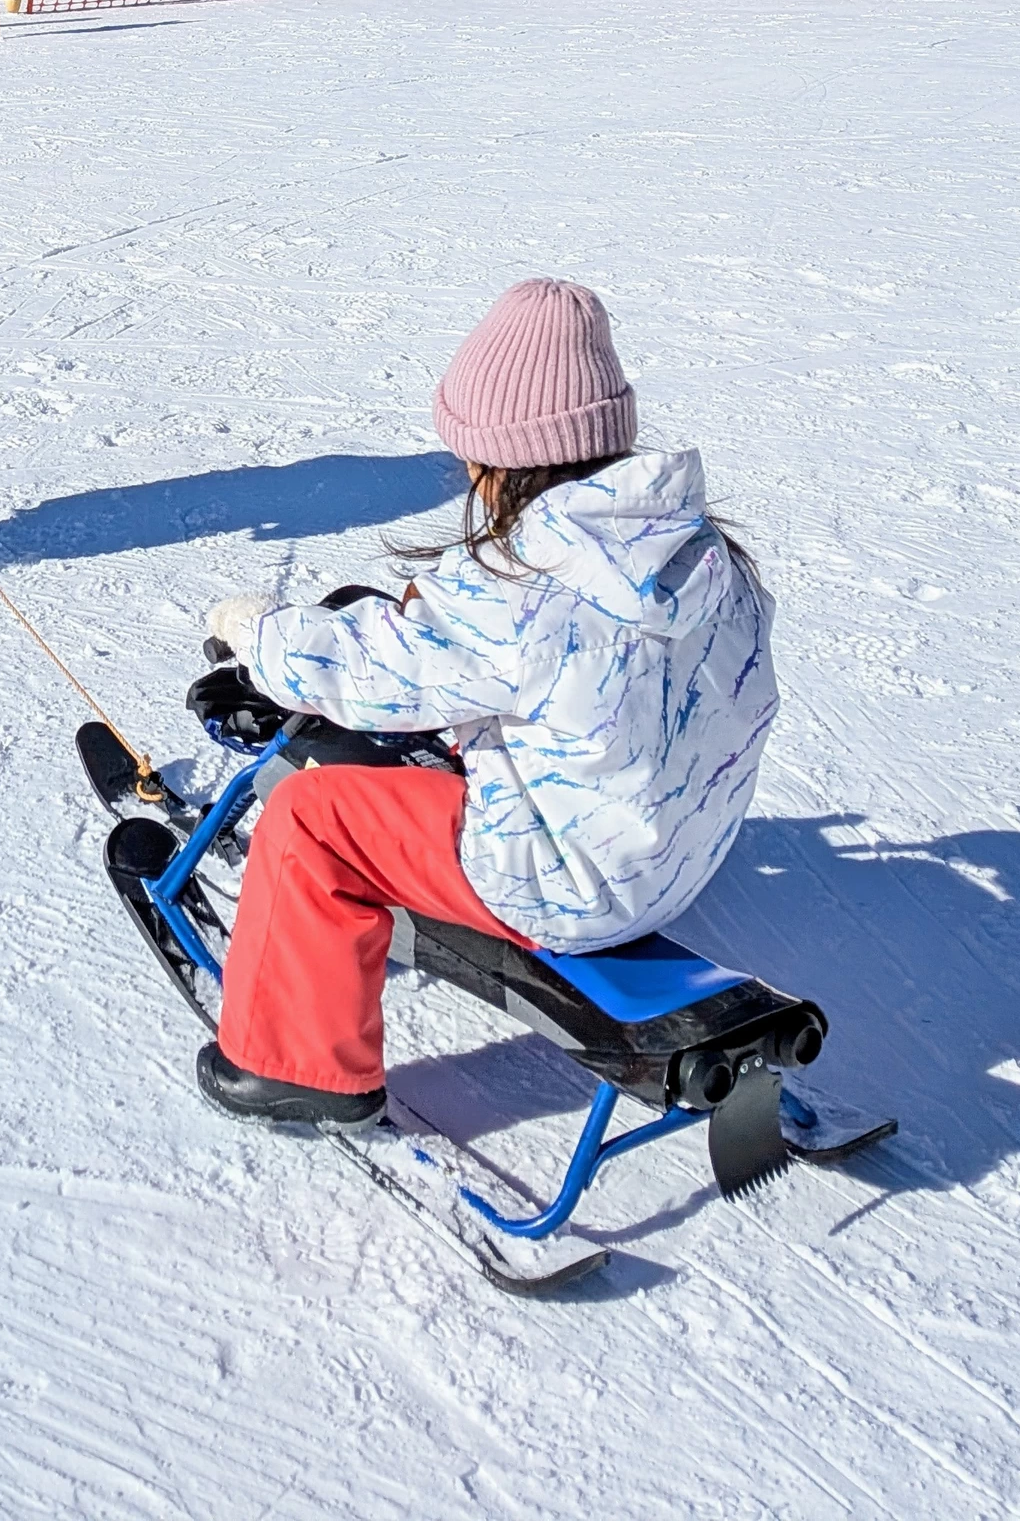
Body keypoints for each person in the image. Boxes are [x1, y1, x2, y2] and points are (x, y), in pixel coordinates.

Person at [186, 278, 778, 1128]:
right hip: (682, 854)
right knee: (440, 715)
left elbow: (369, 673)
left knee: (314, 818)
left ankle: (294, 1068)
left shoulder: (523, 584)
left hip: (569, 887)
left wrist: (259, 637)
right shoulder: (700, 551)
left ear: (504, 458)